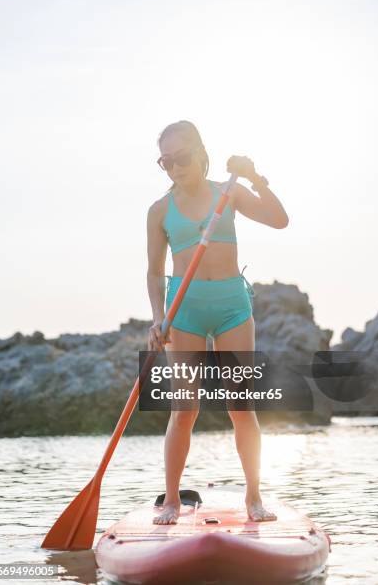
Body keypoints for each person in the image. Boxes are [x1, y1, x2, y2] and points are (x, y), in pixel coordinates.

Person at [147, 120, 289, 525]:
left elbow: (279, 220)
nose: (175, 167)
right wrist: (158, 319)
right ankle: (172, 501)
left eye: (183, 157)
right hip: (184, 311)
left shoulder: (228, 193)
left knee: (240, 406)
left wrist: (255, 178)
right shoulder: (159, 211)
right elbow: (153, 273)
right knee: (184, 409)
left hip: (231, 306)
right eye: (166, 161)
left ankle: (254, 499)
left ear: (201, 152)